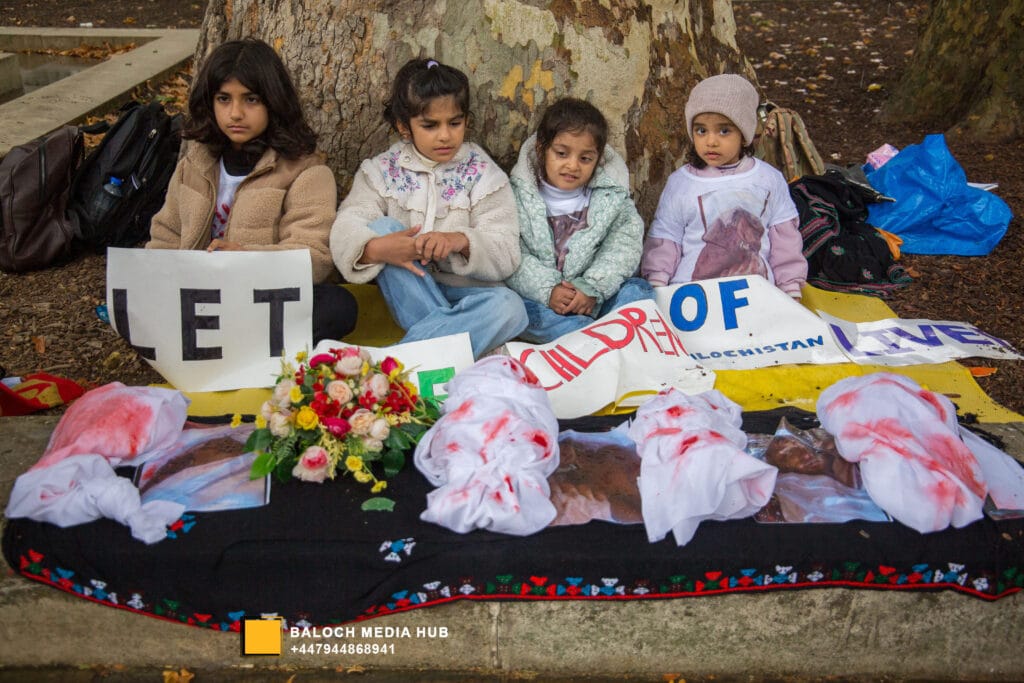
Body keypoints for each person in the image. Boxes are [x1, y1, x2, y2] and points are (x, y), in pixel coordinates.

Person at [146, 37, 357, 343]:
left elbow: (314, 256)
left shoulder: (306, 171)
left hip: (263, 302)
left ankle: (243, 344)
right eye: (224, 99)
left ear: (274, 101)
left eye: (251, 99)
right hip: (197, 299)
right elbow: (165, 235)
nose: (235, 113)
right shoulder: (194, 165)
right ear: (210, 102)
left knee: (339, 307)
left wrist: (246, 258)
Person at [329, 58, 526, 358]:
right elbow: (346, 225)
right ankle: (457, 346)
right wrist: (378, 249)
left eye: (454, 123)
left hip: (470, 299)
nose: (445, 135)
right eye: (430, 125)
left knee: (512, 308)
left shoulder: (483, 172)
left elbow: (508, 250)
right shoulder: (381, 171)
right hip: (412, 294)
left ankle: (397, 360)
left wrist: (460, 241)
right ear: (403, 127)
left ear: (466, 121)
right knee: (382, 228)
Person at [641, 73, 807, 299]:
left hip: (757, 294)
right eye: (701, 130)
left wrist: (790, 288)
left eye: (724, 131)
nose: (711, 141)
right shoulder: (681, 183)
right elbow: (666, 235)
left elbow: (784, 239)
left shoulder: (768, 179)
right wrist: (657, 285)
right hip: (692, 296)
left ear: (744, 133)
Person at [506, 97, 652, 344]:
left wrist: (592, 287)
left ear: (598, 159)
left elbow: (624, 245)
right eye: (562, 154)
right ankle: (601, 342)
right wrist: (548, 289)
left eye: (585, 159)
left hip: (596, 297)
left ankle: (600, 340)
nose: (572, 165)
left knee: (639, 292)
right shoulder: (518, 196)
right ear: (542, 149)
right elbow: (511, 253)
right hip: (544, 303)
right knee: (519, 312)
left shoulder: (611, 196)